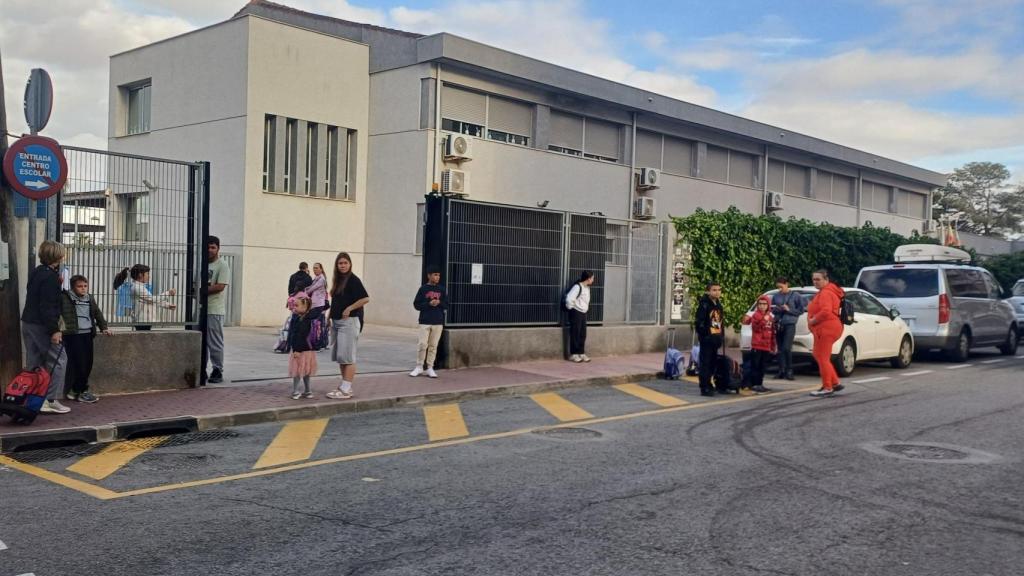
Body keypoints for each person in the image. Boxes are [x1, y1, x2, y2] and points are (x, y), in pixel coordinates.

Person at [21, 241, 71, 414]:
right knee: (59, 359)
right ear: (58, 256)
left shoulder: (37, 272)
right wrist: (54, 330)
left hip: (28, 322)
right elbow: (48, 306)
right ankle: (51, 399)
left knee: (34, 362)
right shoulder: (50, 277)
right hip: (43, 325)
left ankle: (30, 398)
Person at [61, 275, 112, 404]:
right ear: (73, 287)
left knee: (88, 363)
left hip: (88, 334)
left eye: (85, 286)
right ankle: (82, 392)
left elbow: (97, 313)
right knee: (79, 364)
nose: (83, 289)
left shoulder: (90, 298)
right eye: (79, 286)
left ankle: (75, 390)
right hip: (73, 335)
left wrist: (103, 327)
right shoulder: (66, 298)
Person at [326, 252, 369, 400]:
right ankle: (345, 385)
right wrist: (328, 317)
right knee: (341, 356)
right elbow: (335, 301)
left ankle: (346, 388)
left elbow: (365, 298)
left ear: (350, 264)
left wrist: (350, 308)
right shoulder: (338, 280)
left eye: (345, 263)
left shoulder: (353, 280)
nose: (343, 266)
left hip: (349, 322)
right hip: (337, 322)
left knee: (348, 356)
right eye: (340, 263)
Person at [807, 269, 846, 397]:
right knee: (819, 355)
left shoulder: (825, 293)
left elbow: (826, 311)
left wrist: (813, 320)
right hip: (829, 327)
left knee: (822, 357)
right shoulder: (827, 292)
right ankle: (834, 383)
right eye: (814, 279)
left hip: (826, 328)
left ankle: (828, 387)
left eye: (818, 279)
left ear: (826, 280)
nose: (815, 282)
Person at [113, 264, 176, 330]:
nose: (149, 276)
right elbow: (152, 299)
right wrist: (168, 293)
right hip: (142, 320)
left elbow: (150, 301)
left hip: (144, 320)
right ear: (140, 275)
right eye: (147, 274)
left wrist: (167, 305)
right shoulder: (137, 288)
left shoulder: (140, 287)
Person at [410, 266, 448, 378]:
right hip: (425, 321)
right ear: (429, 276)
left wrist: (439, 302)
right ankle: (419, 366)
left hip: (438, 321)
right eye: (435, 274)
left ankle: (430, 367)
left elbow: (447, 304)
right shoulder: (423, 289)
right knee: (422, 344)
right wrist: (428, 304)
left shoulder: (442, 289)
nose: (437, 277)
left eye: (439, 275)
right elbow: (416, 305)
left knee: (433, 346)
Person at [694, 281, 727, 397]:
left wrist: (721, 336)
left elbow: (720, 322)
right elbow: (699, 323)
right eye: (714, 290)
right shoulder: (704, 304)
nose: (717, 292)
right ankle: (704, 387)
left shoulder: (718, 304)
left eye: (719, 290)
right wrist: (706, 336)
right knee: (705, 363)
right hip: (707, 340)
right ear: (708, 291)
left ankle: (710, 383)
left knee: (712, 363)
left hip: (716, 339)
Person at [206, 236, 230, 383]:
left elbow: (220, 286)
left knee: (215, 342)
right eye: (208, 247)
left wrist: (202, 290)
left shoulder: (222, 265)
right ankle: (201, 369)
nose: (210, 250)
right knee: (200, 342)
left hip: (214, 309)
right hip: (200, 310)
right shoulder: (201, 264)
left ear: (218, 248)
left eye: (213, 247)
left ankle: (217, 370)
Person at [772, 277, 805, 380]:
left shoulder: (796, 296)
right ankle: (781, 370)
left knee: (787, 347)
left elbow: (801, 311)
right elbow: (772, 309)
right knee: (780, 349)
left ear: (787, 284)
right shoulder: (776, 296)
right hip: (779, 324)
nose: (780, 290)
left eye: (781, 287)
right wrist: (777, 309)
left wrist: (789, 309)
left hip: (790, 324)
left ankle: (789, 370)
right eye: (778, 288)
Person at [741, 295, 776, 394]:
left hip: (766, 345)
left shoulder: (770, 316)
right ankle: (755, 384)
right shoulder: (756, 315)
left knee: (762, 366)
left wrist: (773, 346)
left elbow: (772, 332)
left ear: (768, 305)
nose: (762, 306)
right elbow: (756, 328)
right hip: (757, 345)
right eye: (760, 304)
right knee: (755, 366)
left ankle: (760, 384)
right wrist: (763, 320)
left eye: (764, 304)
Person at [287, 295, 318, 400]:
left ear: (305, 307)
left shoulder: (303, 321)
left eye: (296, 305)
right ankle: (308, 391)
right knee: (306, 371)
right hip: (309, 350)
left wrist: (297, 350)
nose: (294, 307)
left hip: (301, 350)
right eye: (293, 305)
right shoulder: (305, 318)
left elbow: (300, 335)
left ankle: (295, 391)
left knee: (297, 371)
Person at [564, 271, 595, 363]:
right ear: (588, 278)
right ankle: (574, 354)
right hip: (576, 312)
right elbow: (569, 299)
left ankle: (581, 352)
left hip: (583, 313)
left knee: (582, 334)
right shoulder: (577, 287)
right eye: (592, 278)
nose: (593, 280)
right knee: (575, 333)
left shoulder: (587, 288)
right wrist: (572, 308)